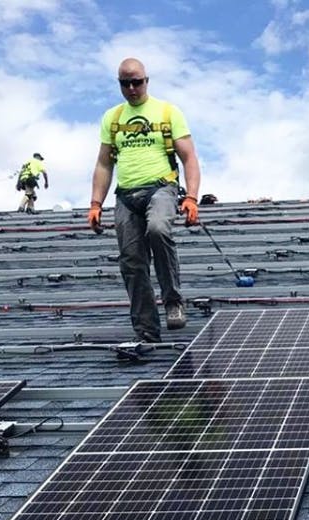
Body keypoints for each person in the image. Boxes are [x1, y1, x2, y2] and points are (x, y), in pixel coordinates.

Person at [88, 57, 200, 343]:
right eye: (125, 83)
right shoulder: (112, 118)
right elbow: (104, 164)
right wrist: (95, 204)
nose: (132, 88)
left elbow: (189, 157)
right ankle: (147, 330)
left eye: (137, 82)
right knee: (132, 261)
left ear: (146, 81)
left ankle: (173, 300)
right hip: (126, 196)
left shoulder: (166, 111)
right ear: (119, 84)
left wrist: (191, 197)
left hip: (160, 188)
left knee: (158, 229)